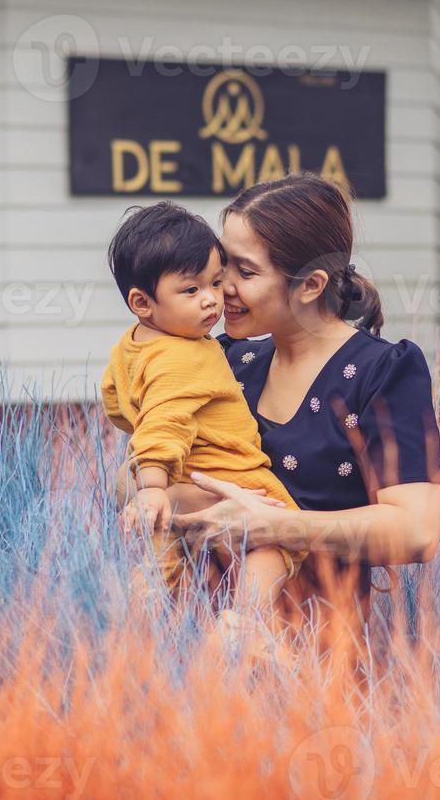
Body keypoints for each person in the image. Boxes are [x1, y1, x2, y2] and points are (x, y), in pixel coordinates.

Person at [118, 171, 440, 636]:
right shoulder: (226, 361)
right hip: (188, 640)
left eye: (244, 271)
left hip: (315, 655)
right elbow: (129, 481)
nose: (219, 286)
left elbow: (416, 531)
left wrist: (272, 525)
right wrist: (158, 488)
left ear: (310, 286)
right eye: (221, 262)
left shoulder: (382, 373)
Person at [100, 201, 308, 642]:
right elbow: (164, 420)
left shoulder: (131, 346)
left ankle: (151, 611)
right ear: (142, 301)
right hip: (233, 474)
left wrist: (152, 476)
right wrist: (153, 486)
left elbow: (118, 403)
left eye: (217, 281)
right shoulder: (185, 355)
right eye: (191, 291)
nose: (213, 299)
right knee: (273, 540)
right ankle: (247, 622)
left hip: (183, 474)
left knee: (163, 547)